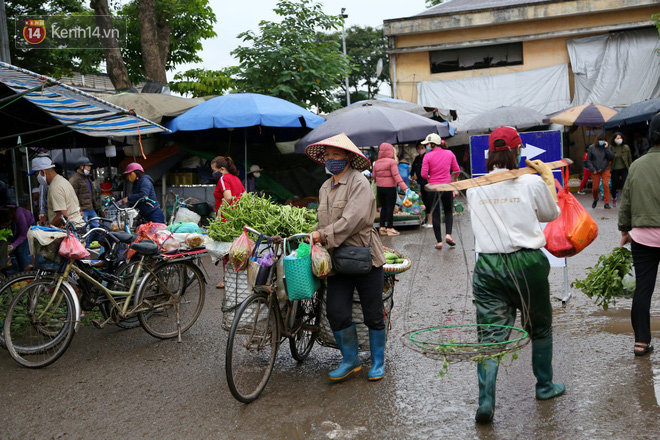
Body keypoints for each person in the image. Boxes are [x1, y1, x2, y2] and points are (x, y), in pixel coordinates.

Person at [467, 126, 564, 424]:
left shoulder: (474, 187)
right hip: (527, 264)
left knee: (489, 338)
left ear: (490, 155)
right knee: (540, 328)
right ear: (517, 152)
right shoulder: (530, 183)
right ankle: (545, 386)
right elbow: (551, 214)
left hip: (488, 267)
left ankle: (486, 401)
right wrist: (547, 179)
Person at [307, 133, 387, 382]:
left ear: (349, 158)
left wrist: (323, 234)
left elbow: (354, 219)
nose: (331, 159)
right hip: (338, 261)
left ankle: (377, 362)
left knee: (372, 312)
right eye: (327, 155)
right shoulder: (325, 187)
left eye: (336, 155)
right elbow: (323, 219)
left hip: (365, 257)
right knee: (336, 312)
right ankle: (351, 360)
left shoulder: (358, 182)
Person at [618, 112, 660, 357]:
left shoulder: (637, 165)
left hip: (643, 237)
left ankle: (641, 342)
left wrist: (625, 230)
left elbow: (626, 202)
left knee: (643, 289)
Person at [211, 156, 246, 290]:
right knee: (236, 249)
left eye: (214, 170)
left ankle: (227, 280)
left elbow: (228, 196)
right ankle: (237, 277)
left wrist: (221, 212)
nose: (214, 173)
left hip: (227, 219)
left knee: (226, 250)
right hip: (237, 218)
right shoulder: (236, 179)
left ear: (222, 169)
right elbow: (245, 195)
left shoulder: (224, 178)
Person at [420, 133, 460, 250]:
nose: (427, 146)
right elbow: (456, 170)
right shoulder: (449, 153)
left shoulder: (427, 156)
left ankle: (439, 242)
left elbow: (423, 174)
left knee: (436, 213)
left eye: (427, 144)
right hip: (446, 187)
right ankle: (448, 235)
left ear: (432, 145)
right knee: (448, 211)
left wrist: (430, 177)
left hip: (433, 188)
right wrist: (455, 179)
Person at [29, 156, 84, 228]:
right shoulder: (62, 181)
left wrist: (46, 228)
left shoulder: (55, 186)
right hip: (78, 225)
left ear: (42, 172)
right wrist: (46, 216)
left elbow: (62, 216)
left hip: (71, 230)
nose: (36, 178)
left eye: (36, 175)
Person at [372, 142, 408, 236]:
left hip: (380, 188)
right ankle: (390, 228)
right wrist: (405, 188)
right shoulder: (392, 162)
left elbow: (373, 176)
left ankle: (382, 227)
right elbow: (396, 176)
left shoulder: (377, 163)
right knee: (390, 208)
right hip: (390, 188)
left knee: (383, 208)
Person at [69, 157, 100, 246]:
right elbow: (72, 197)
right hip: (82, 211)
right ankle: (85, 249)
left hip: (90, 209)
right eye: (88, 166)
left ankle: (88, 245)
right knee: (84, 232)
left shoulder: (87, 178)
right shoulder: (74, 180)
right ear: (81, 167)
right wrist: (79, 210)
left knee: (97, 228)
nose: (89, 168)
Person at [0, 205, 34, 273]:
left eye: (4, 225)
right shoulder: (2, 214)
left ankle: (25, 274)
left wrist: (13, 245)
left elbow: (23, 235)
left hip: (26, 227)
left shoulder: (19, 216)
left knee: (21, 251)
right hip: (12, 230)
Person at [585, 133, 614, 209]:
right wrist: (592, 169)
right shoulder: (592, 147)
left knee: (606, 185)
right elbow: (588, 160)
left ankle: (606, 203)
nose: (601, 141)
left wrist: (607, 148)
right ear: (597, 140)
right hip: (595, 170)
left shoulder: (607, 147)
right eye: (600, 140)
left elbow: (611, 157)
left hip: (605, 168)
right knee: (595, 188)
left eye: (603, 140)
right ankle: (595, 198)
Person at [410, 142, 433, 228]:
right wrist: (412, 176)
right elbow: (413, 169)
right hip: (421, 183)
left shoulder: (427, 157)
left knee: (429, 201)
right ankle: (428, 221)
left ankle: (431, 222)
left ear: (425, 148)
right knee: (425, 200)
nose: (420, 149)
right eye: (418, 148)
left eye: (422, 147)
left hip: (428, 182)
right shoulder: (417, 159)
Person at [610, 132, 632, 207]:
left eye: (620, 138)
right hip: (614, 168)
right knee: (614, 185)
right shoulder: (611, 148)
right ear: (614, 139)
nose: (619, 140)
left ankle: (625, 200)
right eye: (617, 138)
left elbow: (629, 158)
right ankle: (614, 197)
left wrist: (630, 167)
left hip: (624, 168)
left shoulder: (626, 147)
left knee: (625, 184)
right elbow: (607, 156)